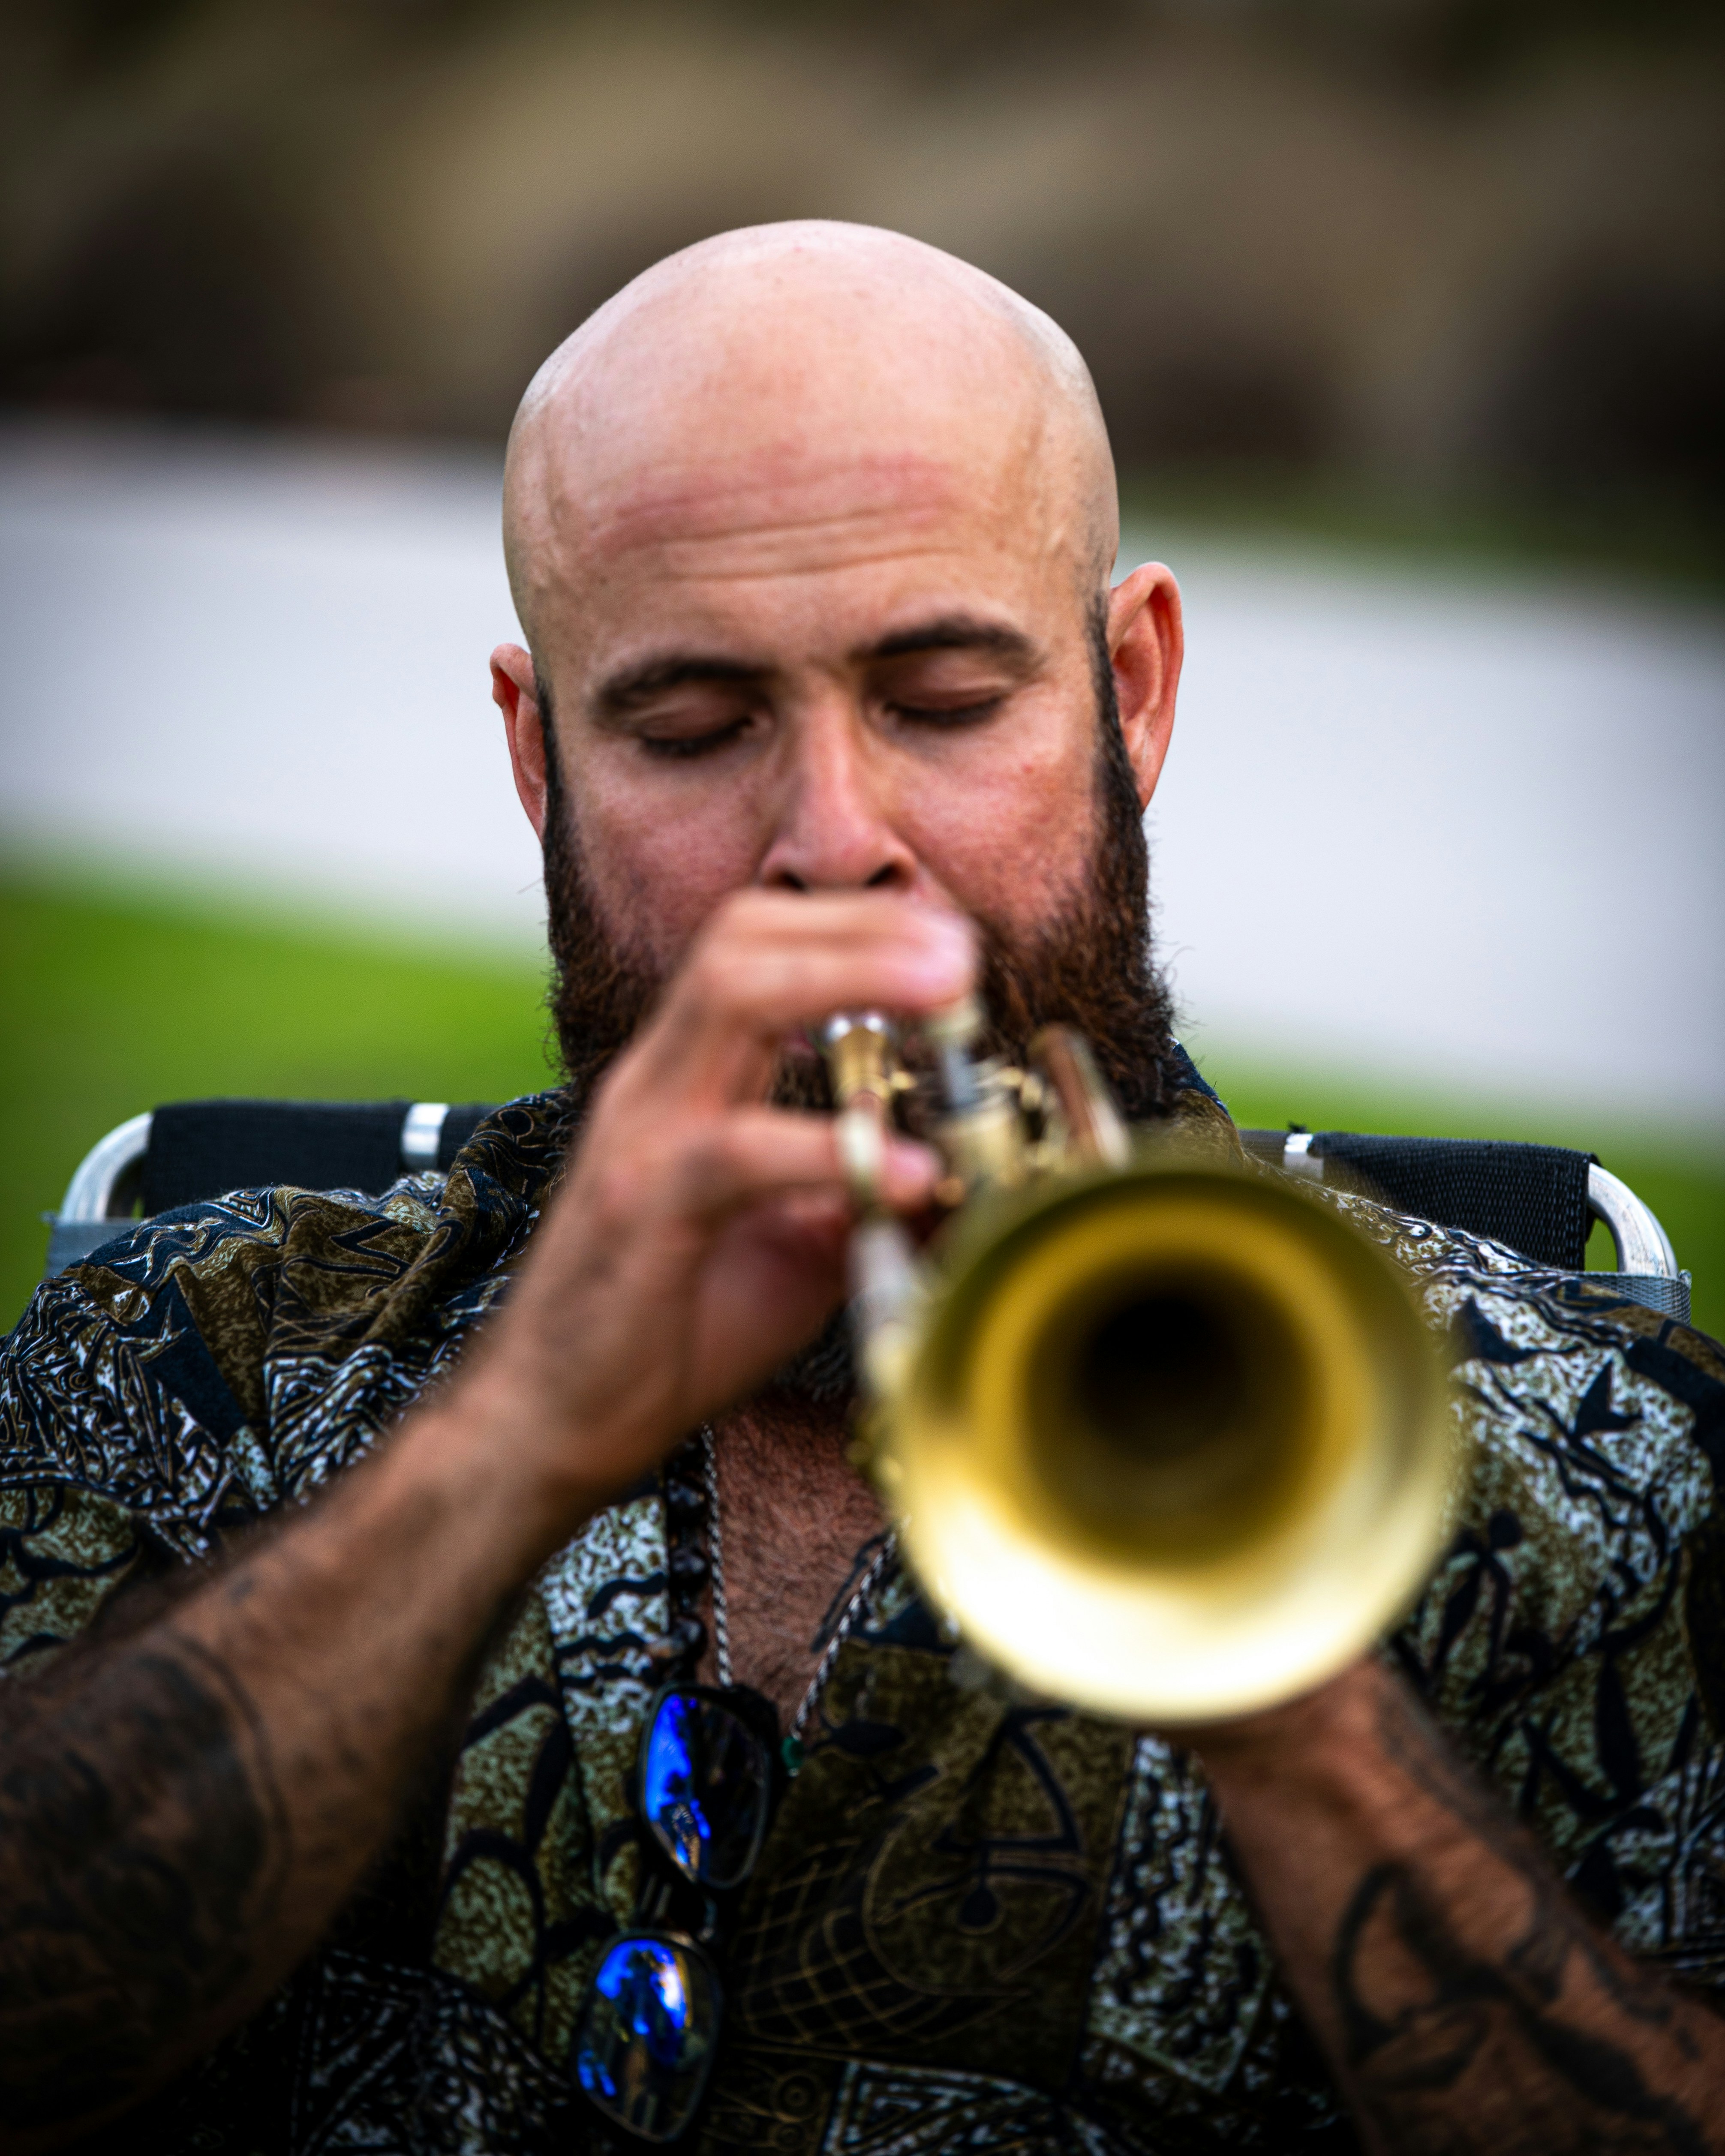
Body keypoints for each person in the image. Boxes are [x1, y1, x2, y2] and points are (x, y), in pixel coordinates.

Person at [2, 221, 1723, 2156]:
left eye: (944, 701)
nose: (833, 848)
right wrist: (506, 1444)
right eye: (690, 728)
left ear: (1133, 692)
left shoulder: (1609, 1464)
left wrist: (1276, 1675)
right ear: (536, 760)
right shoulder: (195, 1349)